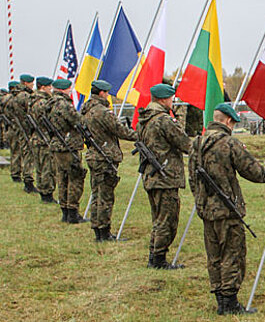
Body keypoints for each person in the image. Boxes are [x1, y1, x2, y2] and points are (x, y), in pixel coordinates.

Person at [189, 103, 265, 315]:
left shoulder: (196, 143)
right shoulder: (229, 144)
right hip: (227, 212)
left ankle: (220, 299)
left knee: (214, 255)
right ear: (227, 121)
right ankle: (229, 303)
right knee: (232, 255)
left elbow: (192, 178)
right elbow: (257, 174)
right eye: (234, 122)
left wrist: (201, 201)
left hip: (206, 210)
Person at [136, 83, 191, 269]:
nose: (172, 101)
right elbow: (184, 142)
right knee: (167, 220)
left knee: (158, 218)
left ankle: (155, 255)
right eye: (171, 98)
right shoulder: (163, 120)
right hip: (165, 175)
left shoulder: (144, 119)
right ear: (163, 99)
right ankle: (158, 259)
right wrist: (181, 116)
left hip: (152, 175)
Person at [82, 80, 137, 241]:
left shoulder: (86, 110)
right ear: (101, 93)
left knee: (96, 194)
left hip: (94, 155)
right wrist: (139, 135)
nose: (107, 95)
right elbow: (120, 130)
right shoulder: (102, 112)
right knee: (105, 196)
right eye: (106, 93)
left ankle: (97, 229)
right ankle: (104, 232)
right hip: (105, 157)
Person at [48, 79, 87, 223]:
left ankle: (65, 210)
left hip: (57, 145)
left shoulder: (49, 104)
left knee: (62, 178)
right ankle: (72, 212)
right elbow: (79, 121)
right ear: (64, 89)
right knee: (75, 179)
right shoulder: (64, 105)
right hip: (68, 145)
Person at [4, 75, 36, 192]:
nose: (33, 85)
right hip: (25, 128)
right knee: (27, 152)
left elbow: (7, 111)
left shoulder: (11, 96)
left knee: (15, 151)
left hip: (15, 126)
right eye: (31, 83)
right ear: (26, 83)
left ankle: (15, 173)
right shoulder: (25, 96)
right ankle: (27, 179)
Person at [30, 76, 57, 203]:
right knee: (47, 167)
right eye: (49, 87)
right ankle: (47, 193)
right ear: (43, 87)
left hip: (36, 136)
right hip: (44, 137)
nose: (50, 89)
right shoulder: (43, 103)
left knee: (40, 167)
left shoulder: (32, 100)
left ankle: (42, 190)